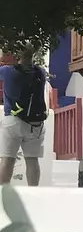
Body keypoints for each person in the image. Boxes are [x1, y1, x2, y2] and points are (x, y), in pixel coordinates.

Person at [0, 47, 51, 187]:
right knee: (32, 160)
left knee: (7, 159)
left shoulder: (7, 71)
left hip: (13, 120)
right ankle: (33, 191)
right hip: (35, 123)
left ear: (17, 55)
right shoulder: (40, 72)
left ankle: (3, 192)